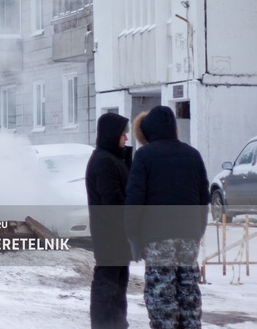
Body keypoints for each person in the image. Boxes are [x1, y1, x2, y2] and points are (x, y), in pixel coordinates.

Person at [125, 105, 209, 329]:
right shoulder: (193, 155)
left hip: (157, 237)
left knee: (161, 293)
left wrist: (133, 238)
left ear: (148, 131)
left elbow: (134, 201)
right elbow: (203, 198)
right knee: (188, 289)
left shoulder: (144, 156)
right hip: (189, 237)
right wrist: (198, 231)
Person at [85, 113, 132, 329]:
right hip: (109, 234)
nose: (126, 138)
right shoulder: (104, 162)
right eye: (123, 134)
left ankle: (117, 324)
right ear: (112, 135)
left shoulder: (112, 159)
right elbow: (113, 200)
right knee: (108, 284)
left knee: (119, 283)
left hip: (116, 234)